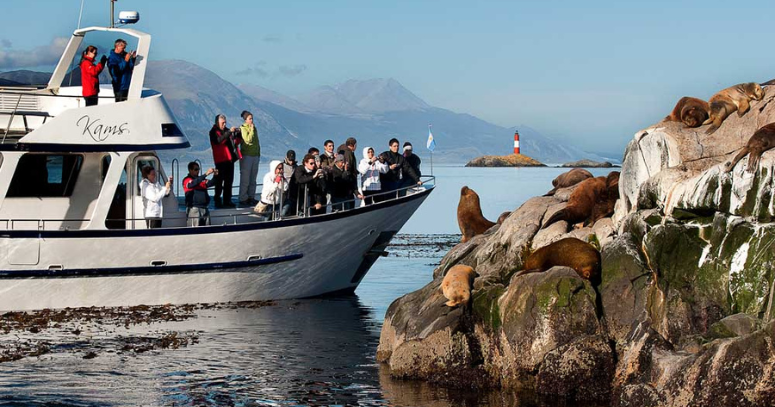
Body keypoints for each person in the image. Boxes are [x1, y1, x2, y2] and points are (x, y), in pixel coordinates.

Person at [209, 114, 241, 208]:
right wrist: (228, 133)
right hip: (220, 160)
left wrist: (238, 134)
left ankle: (227, 200)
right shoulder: (213, 132)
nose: (224, 124)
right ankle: (217, 200)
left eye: (225, 122)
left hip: (229, 159)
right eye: (223, 122)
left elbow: (234, 143)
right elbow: (218, 141)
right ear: (217, 122)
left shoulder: (227, 131)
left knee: (229, 181)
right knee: (219, 182)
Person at [182, 162, 217, 227]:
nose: (197, 171)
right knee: (195, 229)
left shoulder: (201, 180)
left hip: (204, 208)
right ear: (190, 170)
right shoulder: (187, 180)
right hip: (194, 208)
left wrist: (215, 175)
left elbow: (212, 183)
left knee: (207, 229)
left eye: (198, 169)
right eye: (196, 169)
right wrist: (205, 174)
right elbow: (191, 184)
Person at [238, 110, 261, 206]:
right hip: (247, 155)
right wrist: (251, 130)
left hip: (255, 155)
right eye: (250, 119)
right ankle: (243, 197)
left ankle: (251, 196)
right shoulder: (243, 128)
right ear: (245, 120)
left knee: (253, 178)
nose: (252, 120)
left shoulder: (254, 128)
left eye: (252, 118)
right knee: (245, 178)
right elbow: (248, 140)